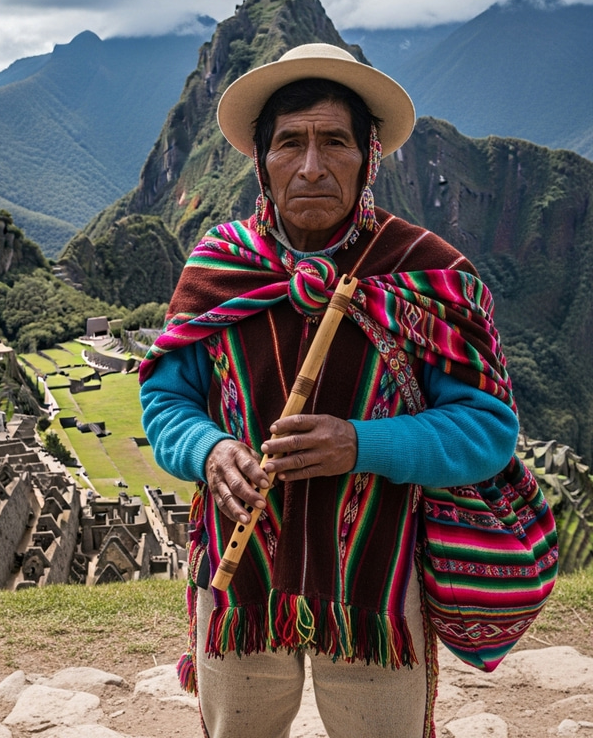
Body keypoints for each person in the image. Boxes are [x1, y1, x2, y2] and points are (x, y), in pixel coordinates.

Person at [139, 44, 521, 738]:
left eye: (334, 142)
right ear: (262, 160)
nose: (311, 166)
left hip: (377, 583)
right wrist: (210, 448)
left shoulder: (422, 275)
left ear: (367, 158)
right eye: (289, 143)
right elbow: (166, 401)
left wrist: (360, 444)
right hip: (241, 580)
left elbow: (487, 429)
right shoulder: (219, 268)